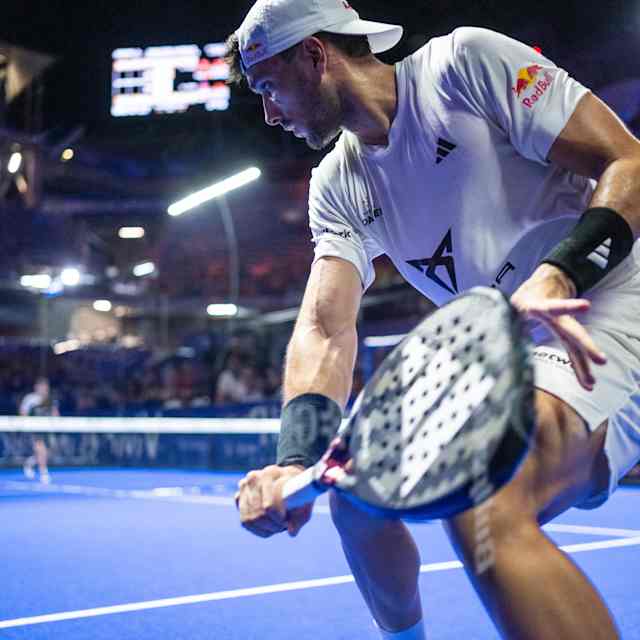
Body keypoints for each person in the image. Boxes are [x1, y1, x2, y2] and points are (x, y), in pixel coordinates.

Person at [229, 1, 640, 638]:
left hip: (605, 305)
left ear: (314, 54)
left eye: (268, 86)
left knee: (485, 499)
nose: (268, 112)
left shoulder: (463, 64)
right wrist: (295, 457)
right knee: (358, 500)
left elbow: (630, 163)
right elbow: (325, 327)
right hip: (504, 348)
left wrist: (555, 275)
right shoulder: (338, 182)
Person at [19, 377, 59, 483]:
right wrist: (26, 424)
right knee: (41, 449)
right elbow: (23, 412)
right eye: (41, 387)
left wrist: (55, 420)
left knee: (49, 451)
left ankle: (30, 462)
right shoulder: (30, 399)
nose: (43, 389)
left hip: (47, 428)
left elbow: (55, 413)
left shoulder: (51, 399)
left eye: (45, 387)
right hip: (34, 428)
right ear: (36, 387)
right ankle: (44, 473)